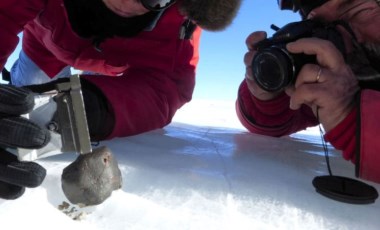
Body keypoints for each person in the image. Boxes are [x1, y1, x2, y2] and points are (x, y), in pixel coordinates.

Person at [0, 0, 242, 199]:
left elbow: (166, 86)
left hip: (110, 64)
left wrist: (86, 109)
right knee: (24, 96)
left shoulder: (181, 20)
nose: (127, 1)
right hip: (45, 49)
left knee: (28, 118)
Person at [237, 0, 380, 183]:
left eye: (359, 13)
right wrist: (269, 95)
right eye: (323, 28)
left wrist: (352, 119)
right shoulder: (339, 73)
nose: (341, 40)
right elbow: (275, 121)